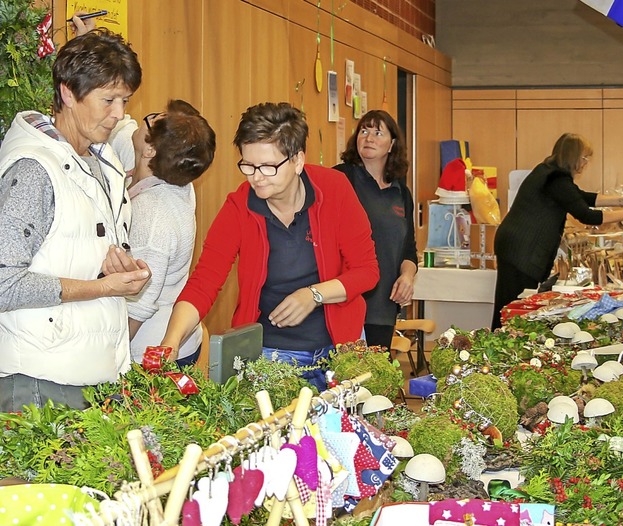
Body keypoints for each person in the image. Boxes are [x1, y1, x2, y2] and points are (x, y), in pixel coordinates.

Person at [161, 102, 379, 391]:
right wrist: (171, 342)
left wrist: (313, 295)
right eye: (248, 165)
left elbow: (367, 271)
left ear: (298, 160)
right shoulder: (239, 207)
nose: (256, 177)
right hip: (271, 357)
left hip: (340, 351)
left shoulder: (335, 189)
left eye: (268, 166)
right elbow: (205, 282)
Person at [0, 29, 151, 412]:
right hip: (38, 381)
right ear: (68, 93)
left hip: (94, 370)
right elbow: (4, 283)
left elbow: (73, 251)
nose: (119, 114)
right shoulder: (34, 169)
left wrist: (120, 272)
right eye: (108, 100)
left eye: (125, 100)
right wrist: (103, 288)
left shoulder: (104, 163)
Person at [491, 132, 623, 330]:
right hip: (521, 250)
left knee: (508, 301)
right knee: (513, 306)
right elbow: (586, 215)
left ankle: (500, 338)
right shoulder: (556, 179)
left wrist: (620, 201)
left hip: (514, 245)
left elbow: (579, 196)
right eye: (585, 157)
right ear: (574, 156)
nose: (586, 162)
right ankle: (501, 344)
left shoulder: (548, 171)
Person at [125, 100, 216, 365]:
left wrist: (111, 355)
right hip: (176, 335)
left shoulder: (152, 214)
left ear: (150, 150)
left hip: (148, 349)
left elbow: (141, 302)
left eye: (151, 120)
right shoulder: (178, 183)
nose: (144, 118)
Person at [334, 110, 418, 351]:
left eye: (378, 132)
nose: (369, 137)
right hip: (344, 301)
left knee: (372, 382)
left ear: (392, 144)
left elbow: (408, 249)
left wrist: (407, 276)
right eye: (364, 131)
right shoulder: (341, 178)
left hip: (383, 305)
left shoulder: (401, 192)